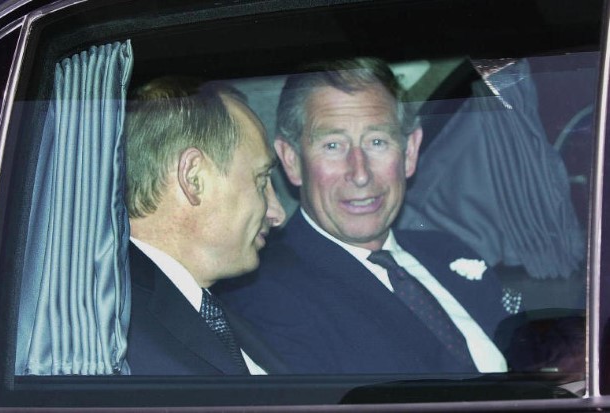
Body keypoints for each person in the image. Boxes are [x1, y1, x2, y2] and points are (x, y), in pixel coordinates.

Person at [215, 58, 510, 374]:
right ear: (291, 160)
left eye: (377, 142)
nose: (360, 173)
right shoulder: (263, 294)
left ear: (409, 152)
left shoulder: (448, 250)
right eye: (333, 145)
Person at [123, 76, 288, 375]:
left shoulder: (209, 313)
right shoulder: (113, 330)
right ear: (194, 178)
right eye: (261, 179)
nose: (277, 214)